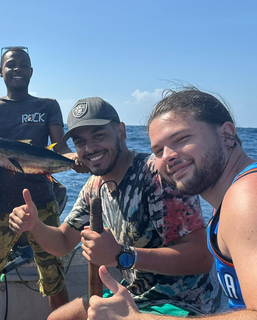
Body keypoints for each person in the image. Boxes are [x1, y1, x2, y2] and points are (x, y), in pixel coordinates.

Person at [10, 97, 222, 319]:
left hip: (186, 305)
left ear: (121, 131)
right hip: (133, 296)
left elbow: (201, 258)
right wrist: (34, 225)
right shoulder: (95, 186)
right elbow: (63, 242)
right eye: (80, 142)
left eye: (99, 135)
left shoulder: (156, 175)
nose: (89, 148)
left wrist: (122, 255)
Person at [86, 88, 257, 319]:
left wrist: (137, 318)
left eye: (181, 139)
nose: (167, 156)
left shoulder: (247, 195)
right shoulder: (228, 201)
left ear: (227, 134)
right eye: (158, 150)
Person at [0, 46, 74, 319]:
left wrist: (77, 159)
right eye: (10, 64)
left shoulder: (47, 106)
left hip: (42, 204)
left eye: (23, 64)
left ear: (31, 71)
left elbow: (61, 151)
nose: (17, 69)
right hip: (1, 207)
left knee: (53, 273)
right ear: (0, 71)